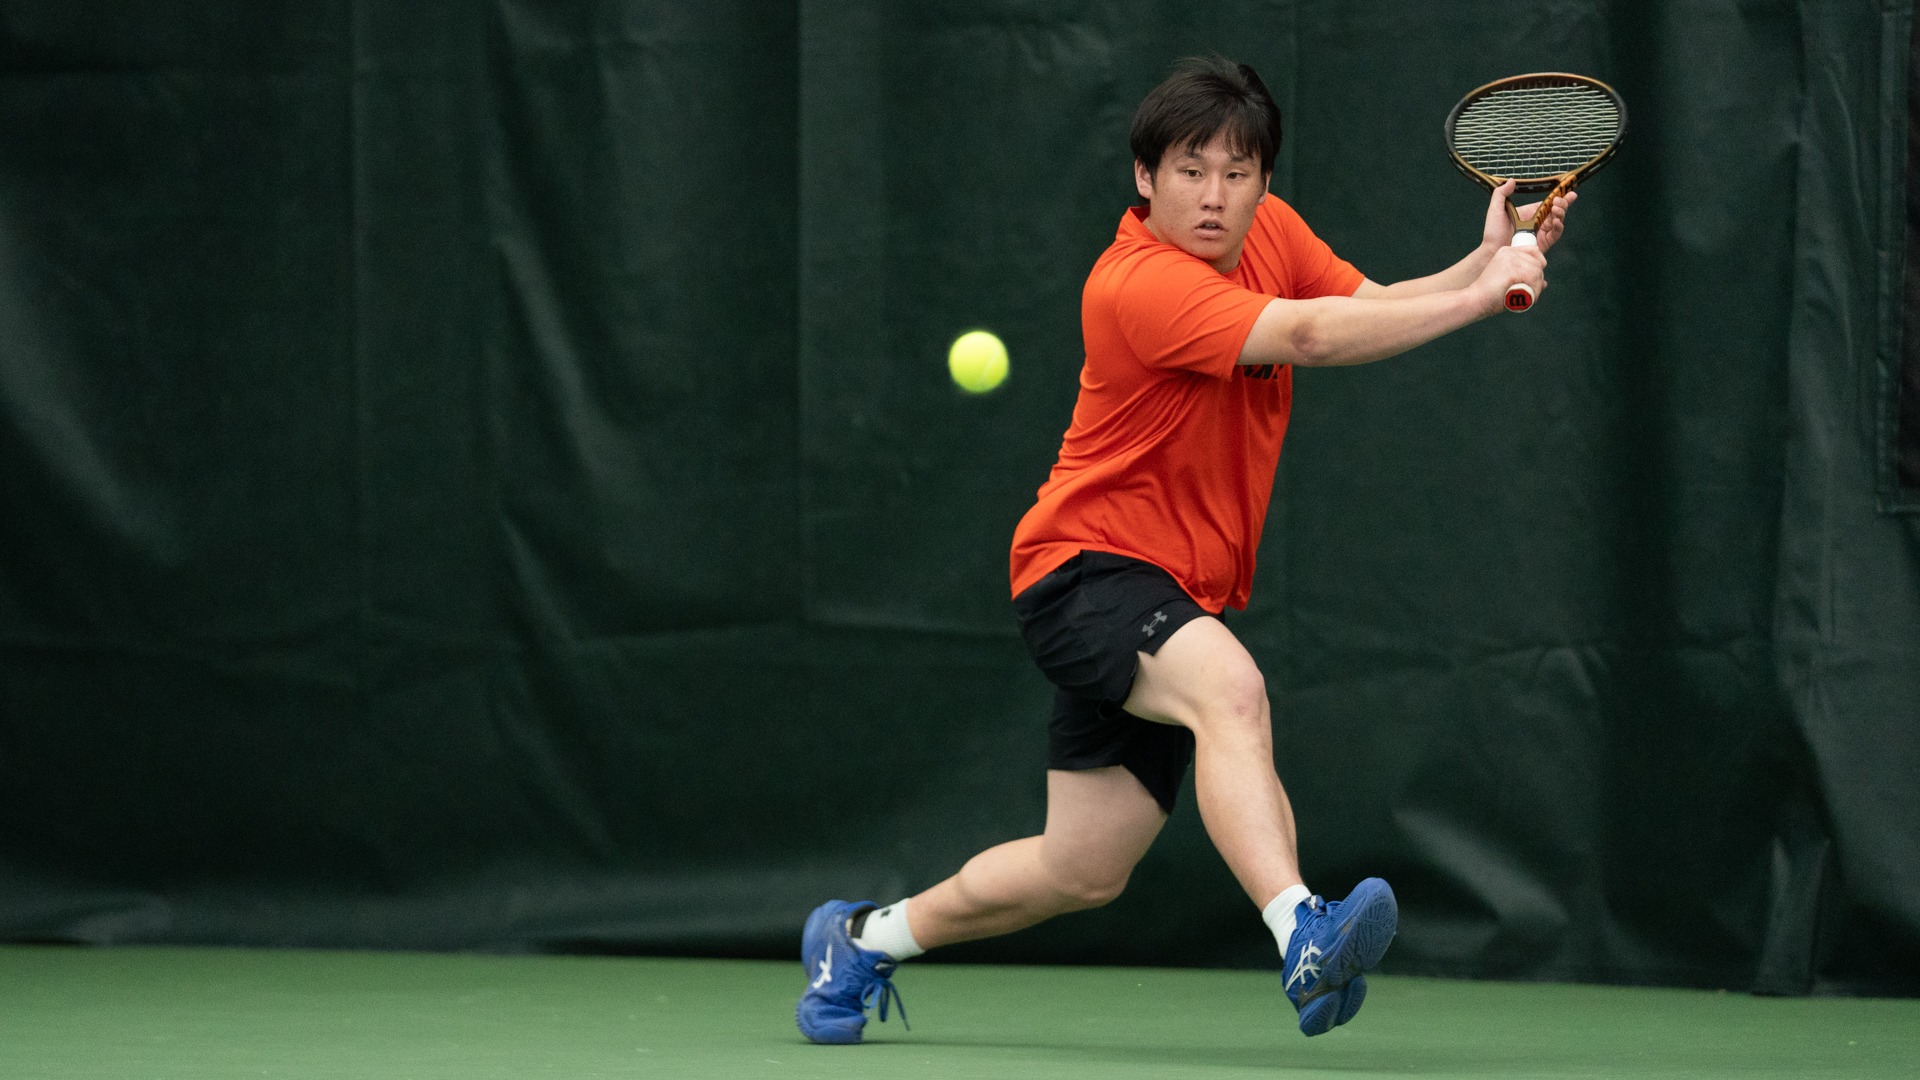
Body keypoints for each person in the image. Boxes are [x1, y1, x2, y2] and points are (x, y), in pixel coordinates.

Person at [795, 55, 1569, 1044]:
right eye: (1191, 169)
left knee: (1081, 868)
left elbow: (1364, 304)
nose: (1214, 195)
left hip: (1165, 585)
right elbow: (1313, 338)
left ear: (1263, 182)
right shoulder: (1137, 287)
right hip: (1084, 569)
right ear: (1144, 177)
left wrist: (1480, 262)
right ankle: (1303, 934)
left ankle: (860, 939)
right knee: (1230, 692)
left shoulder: (1270, 234)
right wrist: (1479, 297)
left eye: (1238, 172)